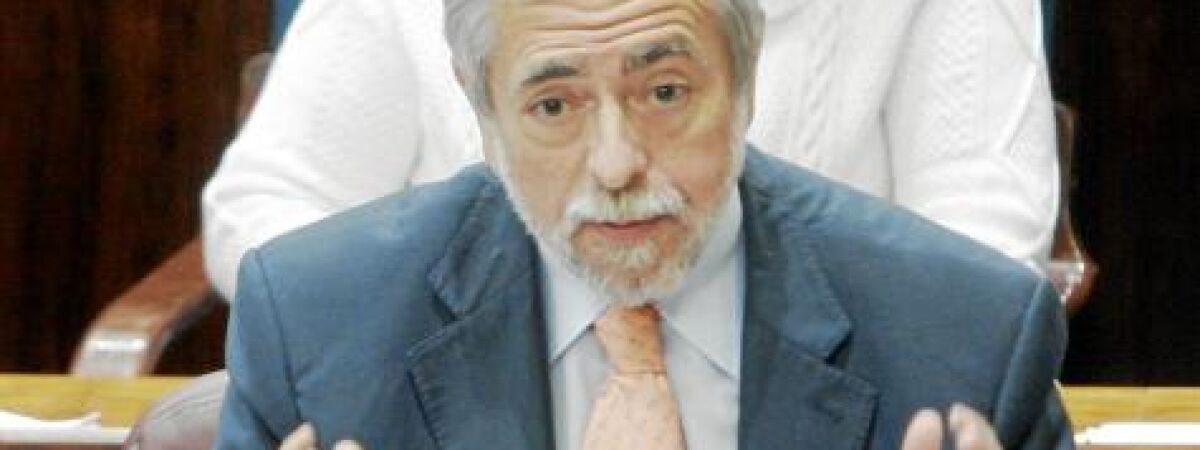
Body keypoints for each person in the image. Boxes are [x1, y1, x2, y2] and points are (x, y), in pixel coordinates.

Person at [134, 0, 1137, 450]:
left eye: (664, 92)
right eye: (554, 104)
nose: (615, 163)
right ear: (485, 116)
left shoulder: (956, 334)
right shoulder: (323, 327)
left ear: (743, 86)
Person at [202, 0, 1059, 300]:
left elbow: (981, 252)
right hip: (469, 422)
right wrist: (441, 336)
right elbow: (267, 210)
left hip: (816, 414)